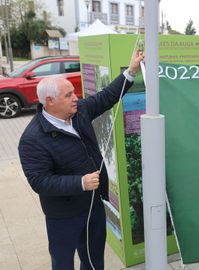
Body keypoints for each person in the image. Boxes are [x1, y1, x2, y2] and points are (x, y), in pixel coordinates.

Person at [18, 49, 144, 270]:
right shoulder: (32, 139)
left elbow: (106, 97)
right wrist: (80, 183)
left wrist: (131, 71)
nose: (76, 98)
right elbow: (39, 181)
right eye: (68, 95)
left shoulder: (79, 112)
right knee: (63, 262)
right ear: (49, 101)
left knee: (94, 260)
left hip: (93, 206)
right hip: (63, 216)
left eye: (73, 92)